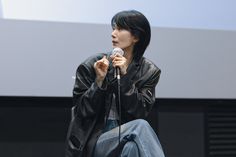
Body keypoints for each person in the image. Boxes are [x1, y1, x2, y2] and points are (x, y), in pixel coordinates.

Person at [65, 10, 165, 157]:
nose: (113, 34)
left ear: (136, 37)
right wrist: (99, 81)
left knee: (131, 148)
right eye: (113, 29)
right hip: (95, 140)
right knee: (140, 127)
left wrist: (125, 78)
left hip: (128, 136)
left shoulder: (149, 71)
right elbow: (82, 112)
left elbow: (139, 112)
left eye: (120, 29)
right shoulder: (92, 65)